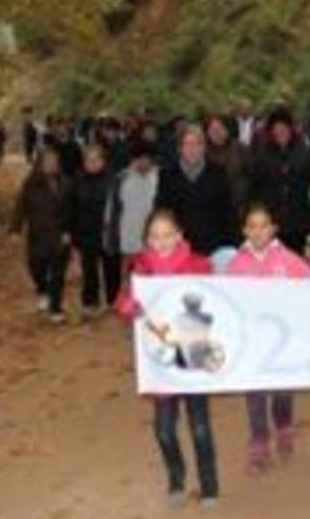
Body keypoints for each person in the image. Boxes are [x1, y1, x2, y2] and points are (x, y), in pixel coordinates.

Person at [114, 210, 220, 507]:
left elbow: (217, 299)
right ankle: (176, 476)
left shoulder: (199, 265)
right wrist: (129, 306)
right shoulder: (141, 269)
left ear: (179, 235)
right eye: (154, 236)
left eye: (167, 235)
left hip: (193, 358)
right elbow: (122, 301)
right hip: (160, 364)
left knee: (200, 428)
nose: (161, 242)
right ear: (147, 239)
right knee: (163, 430)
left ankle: (209, 485)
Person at [225, 204, 310, 474]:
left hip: (285, 344)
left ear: (273, 229)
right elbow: (227, 301)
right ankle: (259, 442)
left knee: (283, 392)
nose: (258, 232)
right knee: (255, 396)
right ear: (244, 230)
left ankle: (284, 426)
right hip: (252, 345)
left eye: (263, 226)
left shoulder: (288, 260)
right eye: (252, 226)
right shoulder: (236, 264)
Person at [247, 107, 310, 254]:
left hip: (299, 217)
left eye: (283, 129)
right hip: (272, 218)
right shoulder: (262, 154)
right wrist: (255, 208)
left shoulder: (304, 152)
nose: (280, 133)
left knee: (296, 258)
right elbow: (253, 185)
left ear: (290, 130)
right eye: (276, 130)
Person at [10, 146, 72, 323]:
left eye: (55, 162)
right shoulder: (30, 184)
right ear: (40, 164)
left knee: (58, 274)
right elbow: (20, 207)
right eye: (48, 162)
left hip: (60, 235)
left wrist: (69, 232)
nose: (52, 165)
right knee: (37, 268)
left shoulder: (66, 183)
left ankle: (55, 308)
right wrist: (15, 229)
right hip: (38, 235)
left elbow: (72, 210)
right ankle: (42, 289)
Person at [154, 126, 237, 255]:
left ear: (203, 148)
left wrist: (230, 247)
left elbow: (228, 213)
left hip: (213, 247)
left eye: (197, 143)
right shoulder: (167, 176)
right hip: (178, 247)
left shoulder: (218, 173)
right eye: (187, 144)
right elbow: (162, 212)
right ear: (179, 148)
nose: (192, 148)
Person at [69, 144, 121, 319]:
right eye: (88, 160)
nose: (92, 163)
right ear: (83, 162)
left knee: (111, 269)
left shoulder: (114, 180)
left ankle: (113, 300)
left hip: (108, 233)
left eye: (96, 159)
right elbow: (71, 209)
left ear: (103, 161)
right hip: (86, 233)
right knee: (89, 269)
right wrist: (73, 236)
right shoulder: (76, 181)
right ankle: (90, 302)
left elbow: (120, 207)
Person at [106, 139, 159, 278]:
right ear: (133, 159)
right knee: (127, 275)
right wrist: (111, 238)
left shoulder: (159, 178)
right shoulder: (122, 179)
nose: (144, 162)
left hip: (153, 236)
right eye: (139, 158)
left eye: (147, 159)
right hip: (128, 235)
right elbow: (112, 210)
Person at [204, 115, 251, 217]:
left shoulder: (241, 148)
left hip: (239, 205)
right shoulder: (203, 152)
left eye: (220, 129)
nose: (217, 133)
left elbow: (252, 175)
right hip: (211, 208)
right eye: (212, 130)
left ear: (227, 130)